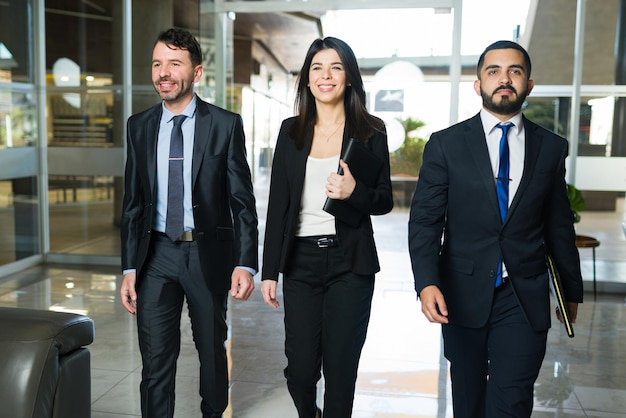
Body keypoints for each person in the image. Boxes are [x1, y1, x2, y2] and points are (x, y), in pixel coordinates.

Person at [408, 40, 584, 418]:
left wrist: (570, 289)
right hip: (461, 292)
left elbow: (558, 225)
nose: (504, 79)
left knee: (512, 401)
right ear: (478, 85)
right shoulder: (445, 145)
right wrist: (426, 283)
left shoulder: (551, 148)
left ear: (528, 85)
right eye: (494, 71)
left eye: (515, 71)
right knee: (468, 401)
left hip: (523, 295)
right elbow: (425, 221)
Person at [119, 28, 258, 418]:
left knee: (213, 351)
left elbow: (242, 202)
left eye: (174, 64)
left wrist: (245, 263)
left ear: (196, 73)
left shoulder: (225, 125)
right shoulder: (139, 126)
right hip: (156, 256)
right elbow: (133, 204)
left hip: (206, 254)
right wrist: (130, 267)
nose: (163, 72)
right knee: (155, 360)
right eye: (157, 64)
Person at [260, 37, 393, 418]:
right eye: (317, 67)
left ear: (349, 77)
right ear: (306, 79)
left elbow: (384, 199)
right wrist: (270, 271)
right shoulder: (291, 132)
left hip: (349, 264)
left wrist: (355, 192)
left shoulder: (371, 131)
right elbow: (279, 206)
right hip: (300, 262)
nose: (326, 75)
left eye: (335, 67)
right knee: (300, 372)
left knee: (340, 370)